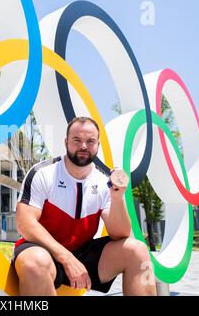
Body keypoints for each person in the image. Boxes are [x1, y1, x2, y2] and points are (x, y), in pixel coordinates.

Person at [13, 117, 157, 296]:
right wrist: (66, 258)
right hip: (43, 250)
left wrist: (118, 197)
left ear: (98, 145)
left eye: (90, 141)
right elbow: (24, 224)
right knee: (35, 262)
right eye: (77, 140)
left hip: (83, 254)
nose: (83, 146)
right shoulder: (43, 173)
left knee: (137, 251)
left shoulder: (104, 181)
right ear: (66, 142)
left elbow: (120, 234)